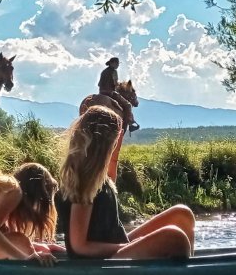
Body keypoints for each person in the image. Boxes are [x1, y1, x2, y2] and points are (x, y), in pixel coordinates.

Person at [57, 105, 194, 259]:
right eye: (114, 141)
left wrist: (118, 141)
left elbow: (111, 167)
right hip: (101, 262)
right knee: (175, 238)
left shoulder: (99, 178)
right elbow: (79, 246)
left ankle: (189, 266)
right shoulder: (84, 183)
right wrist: (128, 246)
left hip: (117, 248)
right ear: (105, 145)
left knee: (182, 214)